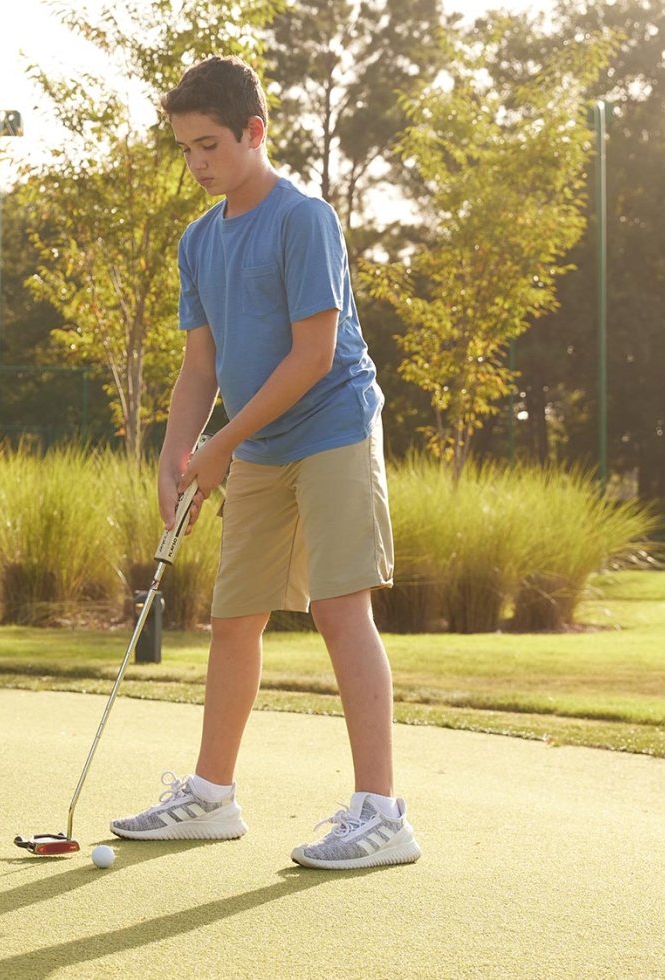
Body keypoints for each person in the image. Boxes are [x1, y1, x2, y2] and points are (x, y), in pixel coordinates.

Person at [108, 56, 418, 870]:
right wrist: (175, 455)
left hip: (334, 427)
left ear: (255, 131)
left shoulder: (304, 219)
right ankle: (211, 797)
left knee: (339, 609)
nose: (196, 163)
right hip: (259, 442)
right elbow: (199, 368)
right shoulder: (198, 240)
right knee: (234, 616)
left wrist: (220, 446)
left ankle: (381, 813)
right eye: (185, 149)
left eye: (209, 145)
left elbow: (313, 356)